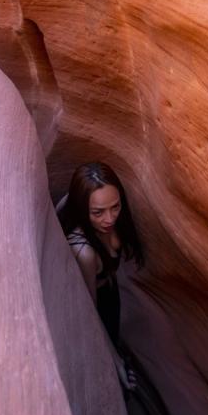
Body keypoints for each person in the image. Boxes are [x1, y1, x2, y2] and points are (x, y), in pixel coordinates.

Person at [57, 161, 145, 389]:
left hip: (110, 289)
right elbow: (90, 312)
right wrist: (115, 362)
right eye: (98, 212)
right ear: (81, 209)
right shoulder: (84, 252)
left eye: (115, 207)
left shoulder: (80, 203)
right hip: (100, 299)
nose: (109, 219)